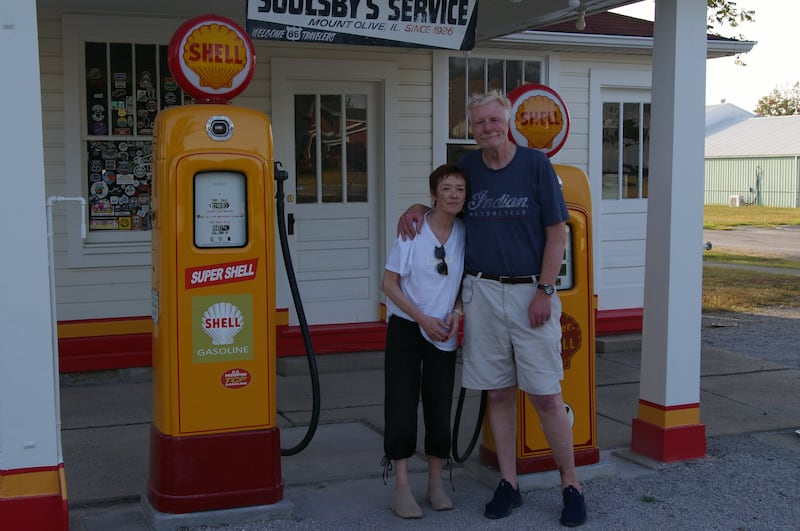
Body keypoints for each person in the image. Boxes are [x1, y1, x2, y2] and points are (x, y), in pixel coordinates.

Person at [398, 90, 587, 527]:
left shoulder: (535, 166)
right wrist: (416, 208)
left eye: (493, 120)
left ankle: (571, 484)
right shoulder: (467, 168)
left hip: (530, 293)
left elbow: (557, 233)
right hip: (481, 293)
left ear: (508, 121)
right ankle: (509, 483)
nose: (487, 128)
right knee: (498, 392)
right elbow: (446, 203)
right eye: (479, 123)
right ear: (472, 128)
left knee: (545, 394)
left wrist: (544, 289)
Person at [381, 163, 468, 519]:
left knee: (438, 405)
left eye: (460, 190)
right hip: (407, 327)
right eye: (446, 189)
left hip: (443, 332)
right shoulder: (413, 230)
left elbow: (466, 285)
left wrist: (457, 314)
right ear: (433, 194)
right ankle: (401, 485)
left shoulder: (466, 232)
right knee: (401, 404)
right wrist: (422, 319)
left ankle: (435, 480)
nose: (453, 195)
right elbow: (388, 284)